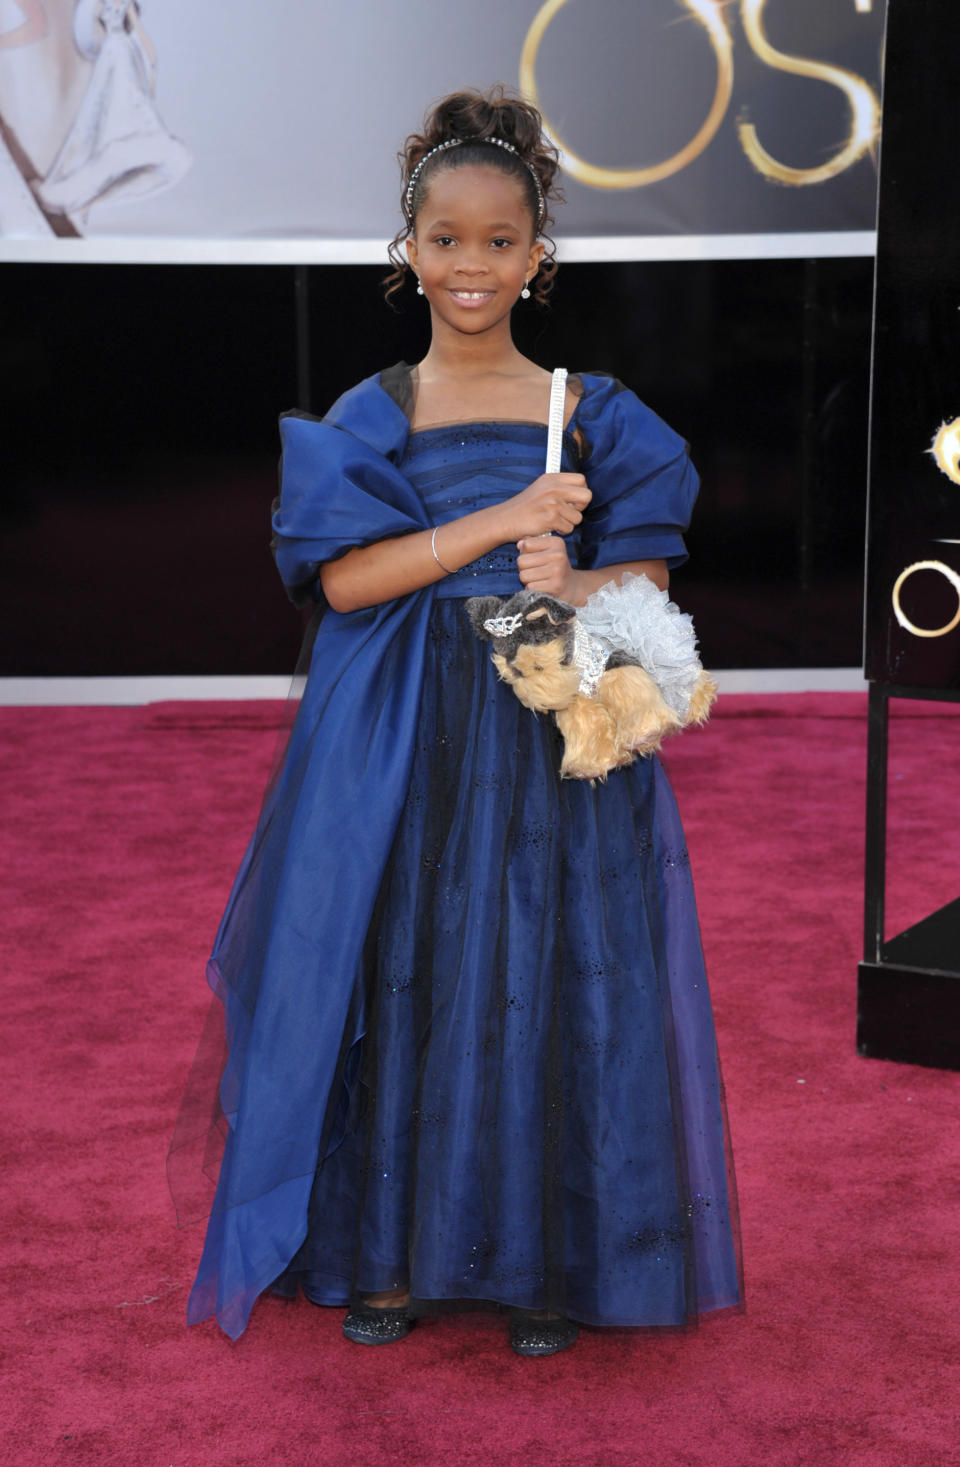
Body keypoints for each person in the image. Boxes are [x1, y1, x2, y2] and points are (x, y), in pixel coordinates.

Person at [171, 86, 743, 1359]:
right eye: (445, 238)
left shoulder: (594, 409)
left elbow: (643, 580)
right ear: (407, 251)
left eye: (499, 242)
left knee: (545, 969)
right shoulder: (371, 413)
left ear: (538, 259)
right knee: (407, 966)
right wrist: (498, 524)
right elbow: (342, 581)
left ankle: (544, 1264)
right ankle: (386, 1252)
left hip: (554, 740)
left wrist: (576, 578)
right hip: (406, 741)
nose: (470, 265)